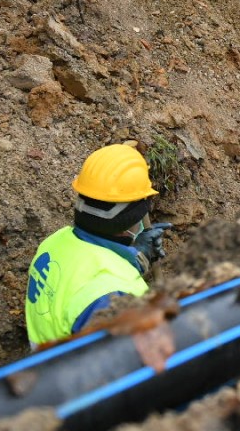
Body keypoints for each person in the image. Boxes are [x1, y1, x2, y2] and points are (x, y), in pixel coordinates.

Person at [24, 143, 171, 348]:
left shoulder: (54, 243)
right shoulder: (114, 298)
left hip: (45, 362)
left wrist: (137, 257)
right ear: (131, 220)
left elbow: (82, 281)